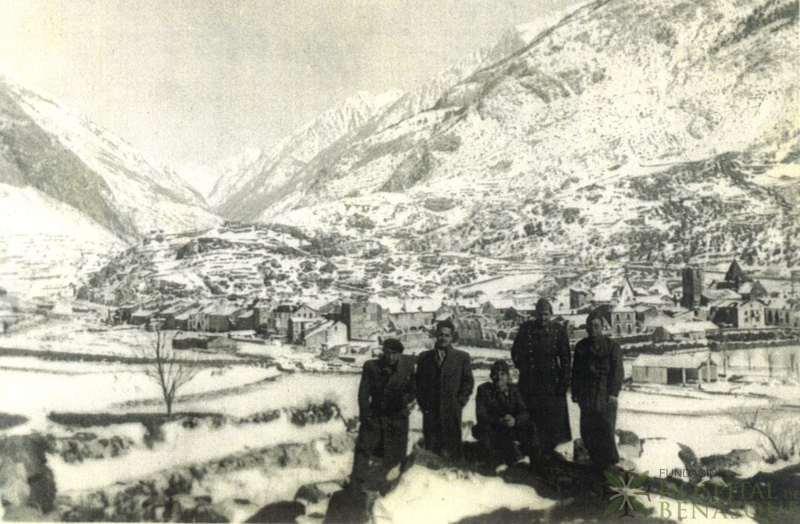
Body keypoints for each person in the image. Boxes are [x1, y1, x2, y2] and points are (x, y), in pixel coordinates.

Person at [511, 297, 571, 463]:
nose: (543, 318)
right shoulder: (526, 328)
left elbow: (565, 358)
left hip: (551, 382)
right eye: (540, 314)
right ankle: (530, 452)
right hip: (530, 381)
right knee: (531, 416)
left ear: (551, 314)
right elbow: (515, 351)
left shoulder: (559, 330)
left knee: (551, 418)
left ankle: (549, 452)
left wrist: (564, 381)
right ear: (535, 314)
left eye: (546, 314)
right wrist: (523, 367)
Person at [350, 338, 416, 490]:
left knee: (395, 456)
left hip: (397, 417)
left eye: (395, 354)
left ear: (399, 354)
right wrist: (366, 416)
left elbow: (413, 390)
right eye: (387, 353)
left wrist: (402, 401)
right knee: (363, 450)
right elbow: (363, 393)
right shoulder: (371, 366)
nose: (391, 357)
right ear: (383, 352)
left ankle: (390, 488)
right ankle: (356, 486)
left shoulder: (407, 368)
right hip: (375, 415)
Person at [571, 309, 624, 471]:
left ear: (602, 327)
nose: (593, 329)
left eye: (596, 326)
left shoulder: (612, 347)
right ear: (586, 328)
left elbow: (618, 372)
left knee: (606, 432)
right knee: (587, 431)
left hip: (605, 395)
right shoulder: (581, 347)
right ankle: (595, 465)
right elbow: (576, 373)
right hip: (587, 395)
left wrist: (614, 394)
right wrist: (576, 393)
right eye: (590, 326)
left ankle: (609, 467)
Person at [415, 319, 474, 460]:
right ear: (436, 335)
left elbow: (468, 382)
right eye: (441, 334)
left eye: (447, 335)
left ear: (452, 337)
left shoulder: (462, 357)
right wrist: (424, 405)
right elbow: (418, 384)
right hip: (431, 412)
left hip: (452, 411)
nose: (443, 338)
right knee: (431, 449)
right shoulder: (425, 357)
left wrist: (459, 402)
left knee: (451, 449)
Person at [472, 360, 530, 469]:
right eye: (495, 374)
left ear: (508, 376)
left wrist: (515, 420)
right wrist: (499, 420)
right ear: (490, 376)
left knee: (530, 428)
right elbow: (481, 415)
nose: (499, 377)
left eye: (502, 374)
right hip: (493, 427)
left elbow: (524, 411)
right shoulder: (484, 390)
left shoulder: (514, 390)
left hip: (511, 426)